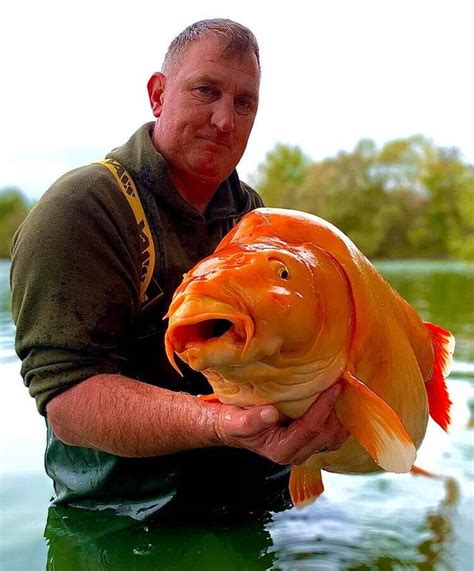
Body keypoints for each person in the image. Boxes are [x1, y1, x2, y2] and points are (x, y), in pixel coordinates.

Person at [10, 19, 347, 521]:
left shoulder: (256, 218)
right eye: (205, 91)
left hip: (258, 508)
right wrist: (218, 424)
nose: (223, 121)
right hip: (121, 525)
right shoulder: (81, 209)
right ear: (158, 94)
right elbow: (67, 397)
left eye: (243, 103)